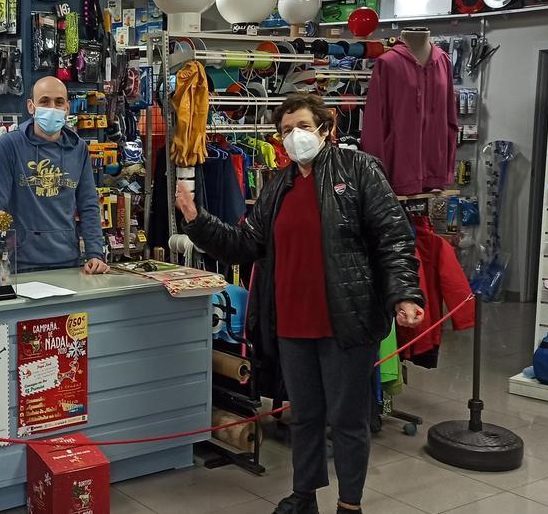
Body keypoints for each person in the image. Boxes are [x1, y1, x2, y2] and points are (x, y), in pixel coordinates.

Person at [176, 93, 424, 514]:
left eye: (303, 127)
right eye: (287, 130)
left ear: (326, 129)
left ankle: (349, 504)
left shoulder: (359, 169)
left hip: (345, 320)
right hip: (291, 324)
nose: (295, 137)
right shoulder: (278, 186)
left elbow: (394, 239)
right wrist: (198, 220)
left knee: (347, 420)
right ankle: (304, 495)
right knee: (303, 416)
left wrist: (404, 293)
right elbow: (243, 244)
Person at [0, 76, 108, 274]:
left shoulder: (79, 149)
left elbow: (89, 205)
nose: (52, 107)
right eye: (44, 101)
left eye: (59, 102)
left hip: (68, 261)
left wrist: (95, 254)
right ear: (31, 106)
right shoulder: (9, 146)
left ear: (67, 107)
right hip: (20, 264)